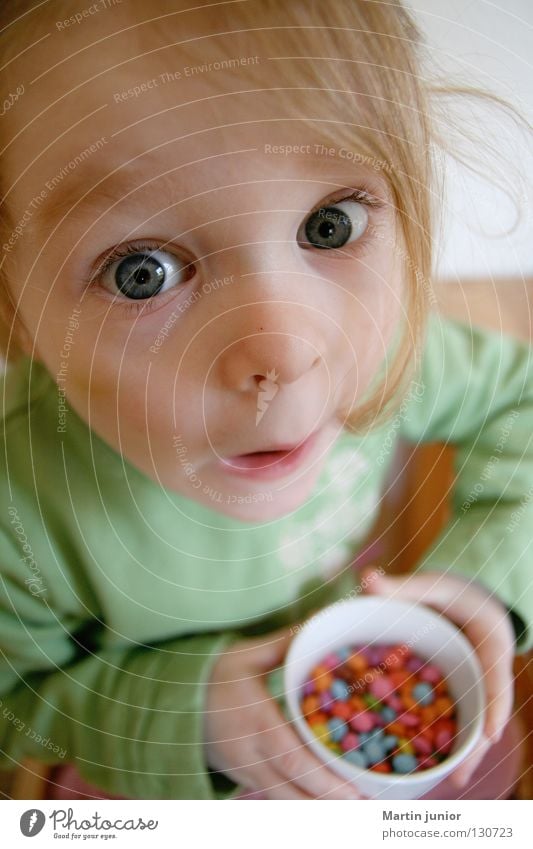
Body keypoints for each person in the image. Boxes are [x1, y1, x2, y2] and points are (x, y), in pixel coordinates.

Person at [0, 0, 531, 801]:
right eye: (140, 271)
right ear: (12, 302)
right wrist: (176, 716)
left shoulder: (384, 355)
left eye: (328, 225)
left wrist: (481, 581)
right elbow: (18, 708)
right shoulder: (20, 509)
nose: (288, 351)